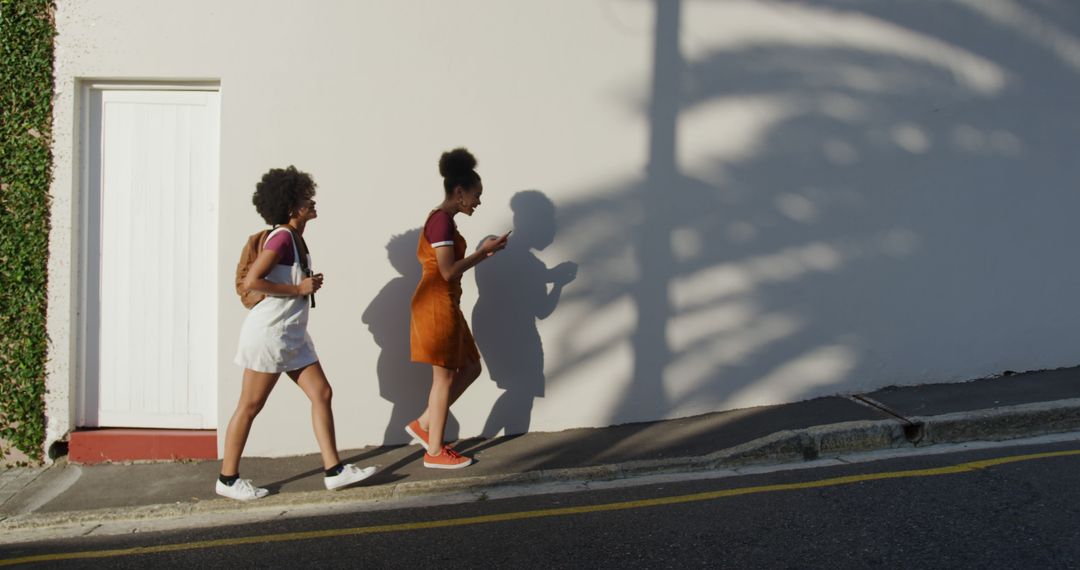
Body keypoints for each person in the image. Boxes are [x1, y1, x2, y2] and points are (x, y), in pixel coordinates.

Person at [218, 165, 377, 501]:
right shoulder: (282, 237)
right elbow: (253, 282)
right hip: (271, 335)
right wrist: (298, 288)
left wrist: (303, 286)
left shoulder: (295, 239)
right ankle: (228, 479)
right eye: (306, 197)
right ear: (292, 207)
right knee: (249, 405)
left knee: (322, 393)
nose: (312, 200)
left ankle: (334, 471)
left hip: (291, 335)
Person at [406, 148, 509, 469]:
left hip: (446, 301)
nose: (478, 202)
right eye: (476, 195)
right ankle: (434, 451)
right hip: (435, 303)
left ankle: (424, 424)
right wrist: (484, 253)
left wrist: (481, 252)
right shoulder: (440, 223)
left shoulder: (444, 222)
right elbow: (448, 271)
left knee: (471, 368)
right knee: (444, 378)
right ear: (459, 192)